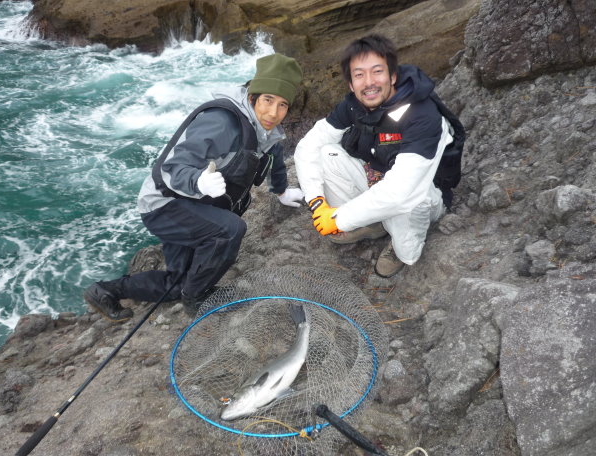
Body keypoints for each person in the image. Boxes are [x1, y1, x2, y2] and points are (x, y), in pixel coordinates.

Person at [84, 53, 304, 321]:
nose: (274, 113)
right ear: (252, 96)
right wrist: (198, 181)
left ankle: (105, 290)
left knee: (178, 283)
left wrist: (281, 191)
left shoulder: (263, 127)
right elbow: (173, 167)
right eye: (268, 100)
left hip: (195, 204)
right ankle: (197, 299)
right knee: (230, 230)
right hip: (164, 204)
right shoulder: (222, 122)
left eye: (283, 105)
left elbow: (273, 153)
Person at [294, 34, 463, 278]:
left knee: (410, 205)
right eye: (359, 75)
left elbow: (400, 192)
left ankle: (402, 249)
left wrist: (339, 220)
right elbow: (308, 146)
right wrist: (317, 201)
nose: (369, 82)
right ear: (351, 84)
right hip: (379, 176)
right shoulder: (353, 105)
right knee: (325, 154)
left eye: (377, 71)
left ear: (392, 76)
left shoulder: (423, 116)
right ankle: (371, 223)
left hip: (423, 192)